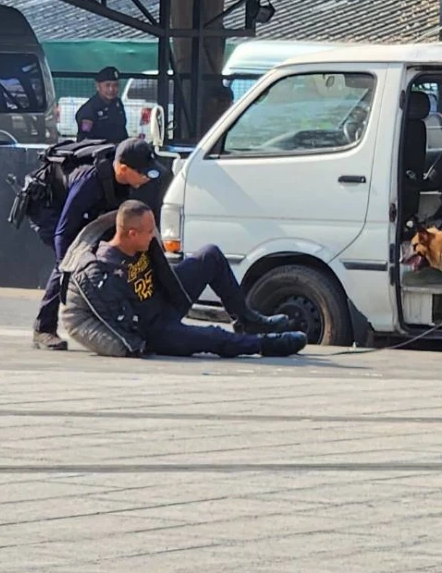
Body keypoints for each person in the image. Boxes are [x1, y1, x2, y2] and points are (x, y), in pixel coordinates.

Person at [61, 201, 305, 359]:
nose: (153, 237)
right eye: (149, 232)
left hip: (165, 299)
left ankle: (248, 321)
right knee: (213, 336)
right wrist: (135, 348)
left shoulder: (140, 244)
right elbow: (120, 324)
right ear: (131, 234)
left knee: (210, 255)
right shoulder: (104, 270)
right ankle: (263, 345)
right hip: (156, 330)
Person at [30, 137, 159, 350]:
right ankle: (43, 328)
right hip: (48, 208)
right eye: (143, 173)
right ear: (124, 169)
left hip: (82, 211)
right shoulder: (89, 181)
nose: (147, 178)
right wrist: (68, 266)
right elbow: (63, 231)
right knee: (69, 261)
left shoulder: (124, 179)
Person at [74, 66, 129, 143]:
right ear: (98, 86)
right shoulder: (89, 110)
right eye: (107, 85)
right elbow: (84, 139)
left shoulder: (117, 103)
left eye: (115, 85)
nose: (111, 89)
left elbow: (122, 131)